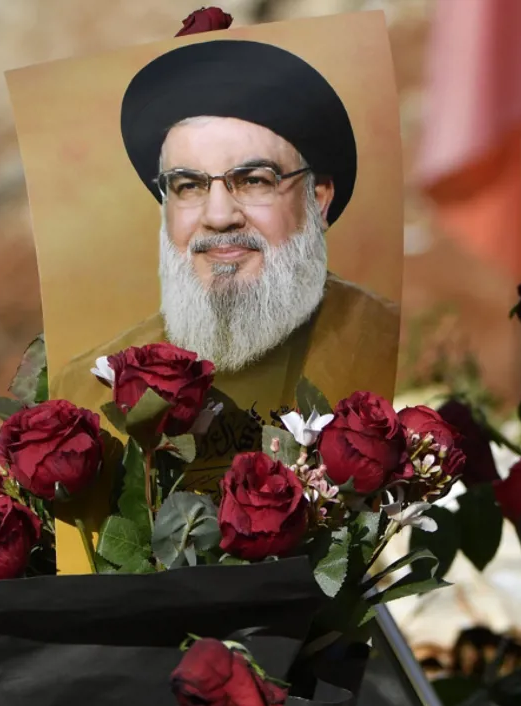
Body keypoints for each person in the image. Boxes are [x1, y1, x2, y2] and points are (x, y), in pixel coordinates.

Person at [49, 39, 400, 491]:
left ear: (317, 199)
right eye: (189, 186)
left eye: (254, 180)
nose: (218, 216)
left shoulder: (393, 347)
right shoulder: (82, 394)